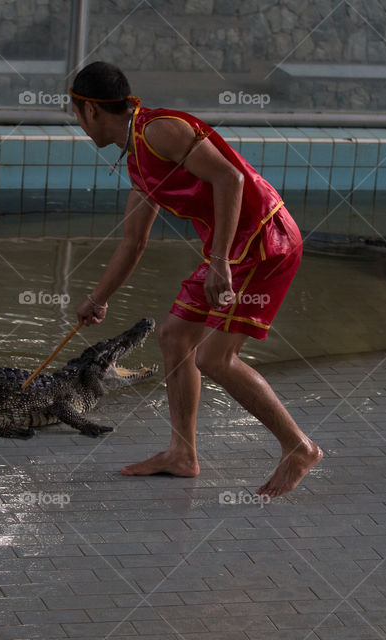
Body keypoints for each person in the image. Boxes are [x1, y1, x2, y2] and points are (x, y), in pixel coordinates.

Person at [70, 61, 322, 499]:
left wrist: (220, 261)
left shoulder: (158, 131)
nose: (78, 123)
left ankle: (299, 447)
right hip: (231, 251)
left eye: (75, 113)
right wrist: (98, 299)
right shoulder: (137, 165)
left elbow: (231, 177)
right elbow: (133, 242)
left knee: (214, 358)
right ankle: (182, 454)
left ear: (91, 110)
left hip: (265, 240)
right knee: (173, 336)